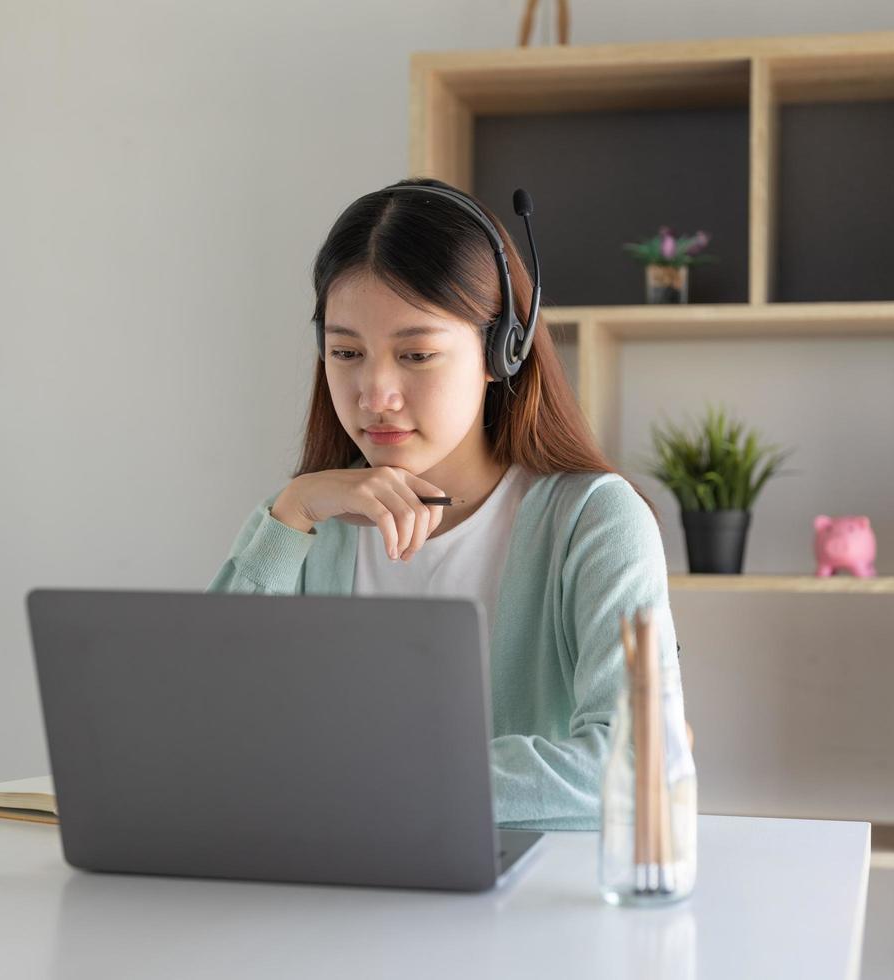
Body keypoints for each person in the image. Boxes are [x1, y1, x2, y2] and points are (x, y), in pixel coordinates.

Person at [207, 176, 692, 831]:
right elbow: (205, 729)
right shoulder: (307, 521)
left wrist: (379, 779)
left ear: (503, 351)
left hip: (521, 916)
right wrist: (290, 515)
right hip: (330, 900)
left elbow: (637, 764)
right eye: (346, 352)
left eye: (416, 354)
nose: (375, 392)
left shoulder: (595, 522)